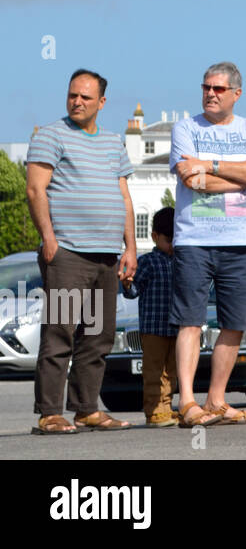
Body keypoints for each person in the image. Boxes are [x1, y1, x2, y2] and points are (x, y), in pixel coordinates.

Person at [26, 69, 137, 434]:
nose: (77, 101)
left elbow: (123, 196)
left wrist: (130, 247)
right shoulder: (50, 136)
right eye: (73, 95)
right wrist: (50, 239)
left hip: (106, 255)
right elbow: (35, 190)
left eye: (86, 97)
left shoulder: (112, 141)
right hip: (68, 254)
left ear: (101, 102)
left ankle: (87, 408)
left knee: (98, 334)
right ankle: (49, 413)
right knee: (59, 331)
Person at [170, 61, 246, 426]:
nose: (210, 94)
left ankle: (216, 401)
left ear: (236, 94)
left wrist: (208, 165)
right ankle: (186, 401)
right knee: (190, 320)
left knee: (234, 323)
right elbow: (190, 180)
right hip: (194, 239)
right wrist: (237, 176)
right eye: (206, 88)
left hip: (241, 241)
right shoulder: (185, 128)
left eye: (218, 89)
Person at [123, 208, 180, 426]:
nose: (172, 245)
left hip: (175, 326)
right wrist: (127, 283)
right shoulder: (147, 261)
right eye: (168, 240)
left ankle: (166, 406)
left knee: (171, 372)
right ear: (155, 237)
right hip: (153, 327)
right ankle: (154, 410)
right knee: (153, 371)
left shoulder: (181, 260)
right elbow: (134, 290)